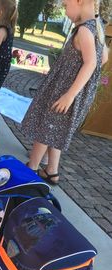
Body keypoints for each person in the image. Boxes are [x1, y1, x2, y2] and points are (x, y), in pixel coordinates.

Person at [23, 0, 108, 185]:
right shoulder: (97, 26)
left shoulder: (85, 30)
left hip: (66, 92)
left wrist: (70, 94)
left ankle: (31, 168)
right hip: (73, 92)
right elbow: (104, 58)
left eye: (65, 5)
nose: (64, 10)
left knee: (46, 129)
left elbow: (92, 62)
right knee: (55, 129)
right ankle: (52, 171)